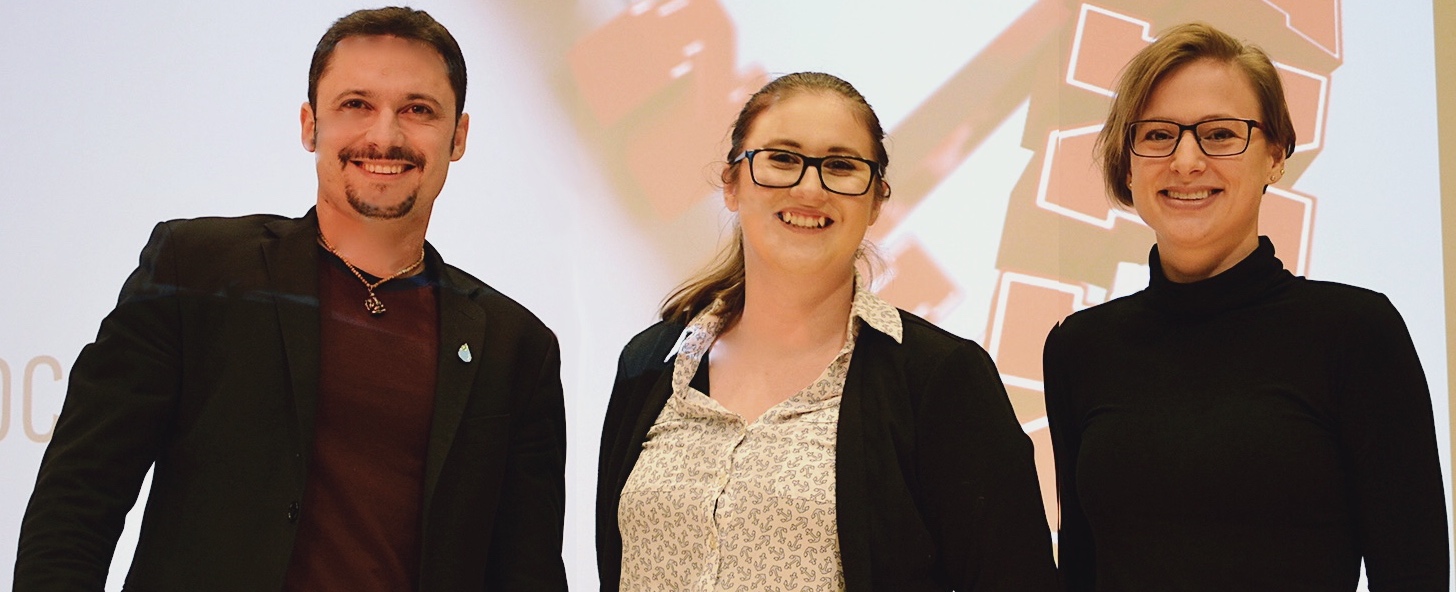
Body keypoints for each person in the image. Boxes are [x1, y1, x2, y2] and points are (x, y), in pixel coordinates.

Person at [13, 7, 567, 591]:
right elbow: (77, 502)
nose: (385, 135)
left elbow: (526, 573)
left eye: (418, 110)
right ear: (310, 126)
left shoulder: (516, 347)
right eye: (356, 105)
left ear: (458, 137)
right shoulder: (196, 269)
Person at [596, 71, 1057, 591]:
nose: (809, 187)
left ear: (877, 199)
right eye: (782, 159)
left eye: (840, 166)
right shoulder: (649, 364)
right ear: (731, 183)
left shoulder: (939, 379)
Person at [1043, 22, 1448, 591]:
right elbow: (1082, 570)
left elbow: (1413, 573)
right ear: (1127, 163)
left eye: (1220, 134)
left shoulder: (1356, 333)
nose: (1185, 160)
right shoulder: (1079, 347)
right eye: (1158, 135)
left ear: (1276, 157)